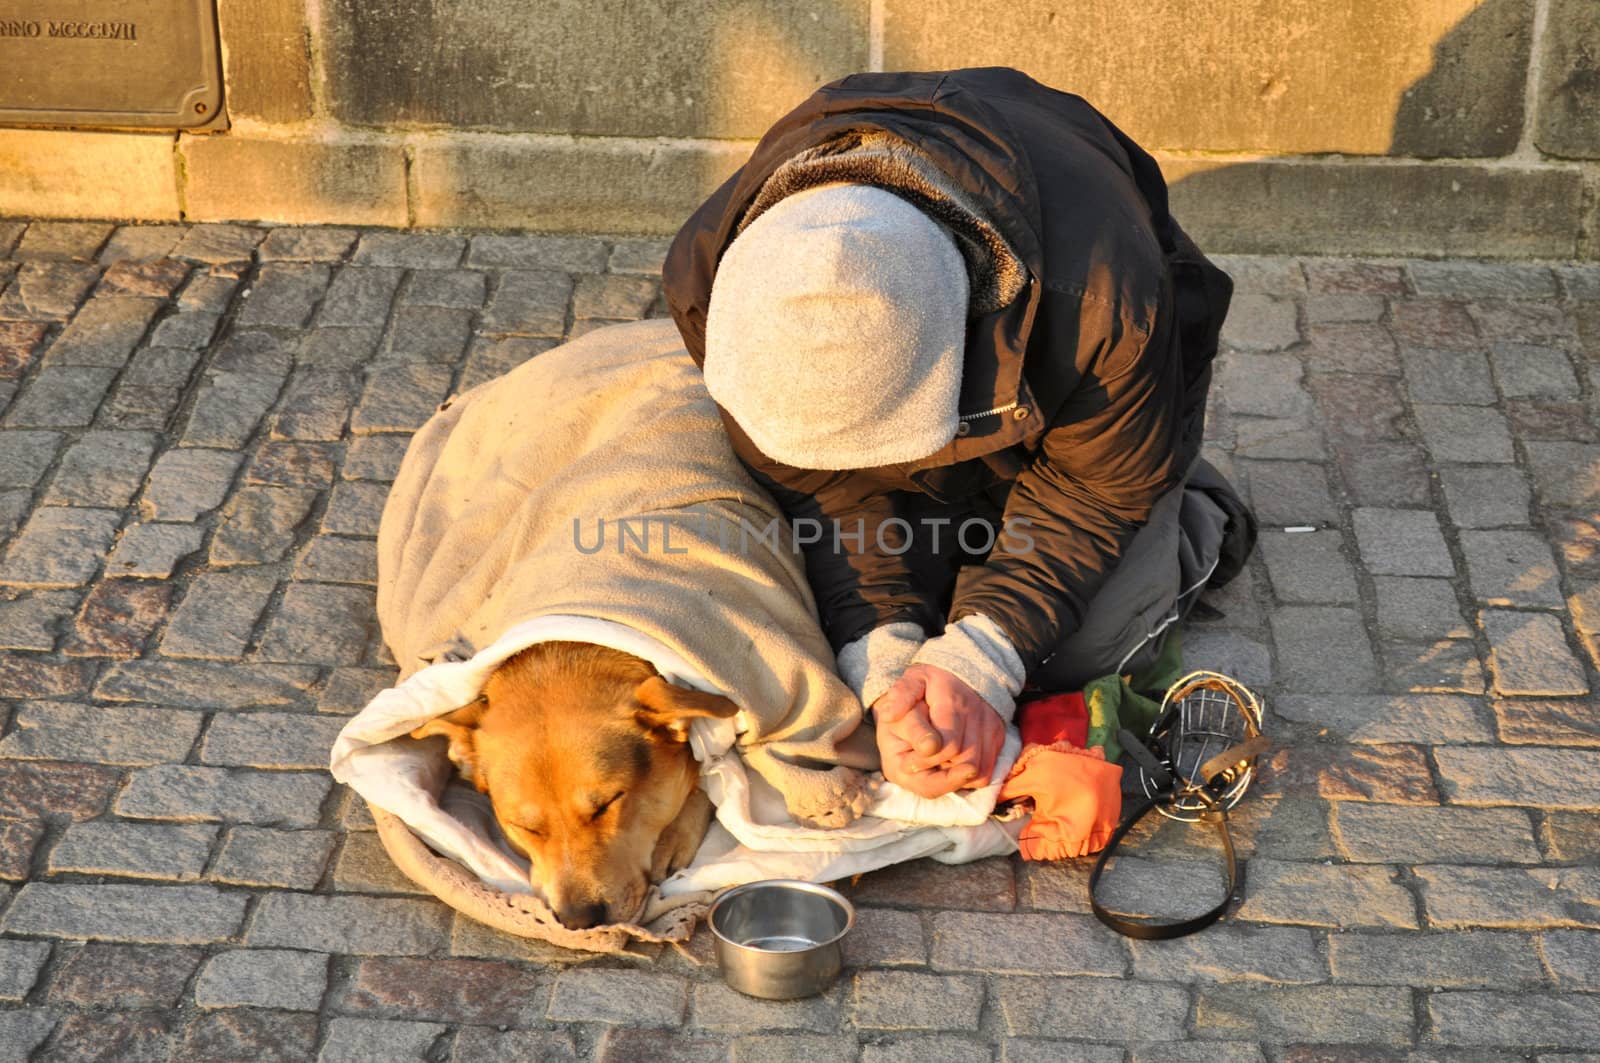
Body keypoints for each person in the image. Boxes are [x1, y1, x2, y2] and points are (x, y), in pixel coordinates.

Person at [663, 67, 1256, 800]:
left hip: (1090, 443)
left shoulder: (1105, 303)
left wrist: (980, 662)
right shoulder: (706, 274)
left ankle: (1194, 507)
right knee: (831, 630)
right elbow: (817, 486)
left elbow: (1093, 495)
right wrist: (884, 671)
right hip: (964, 407)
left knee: (1081, 651)